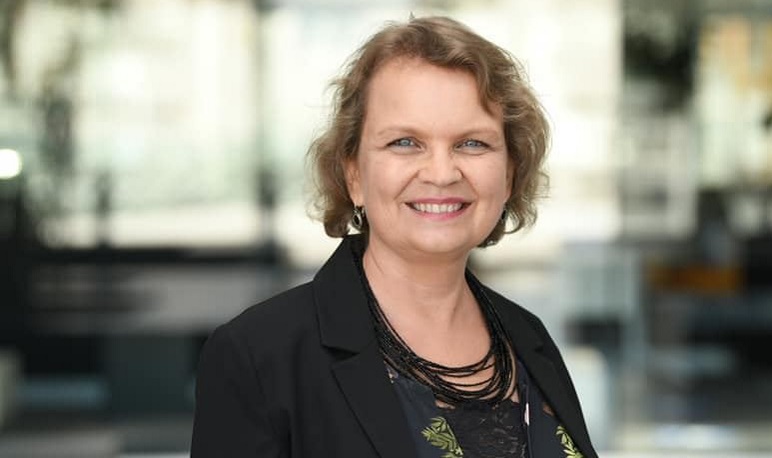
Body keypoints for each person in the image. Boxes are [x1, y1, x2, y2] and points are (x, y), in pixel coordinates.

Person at [191, 15, 597, 458]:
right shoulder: (259, 356)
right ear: (353, 174)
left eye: (472, 143)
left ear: (509, 174)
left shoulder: (528, 338)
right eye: (405, 142)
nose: (441, 173)